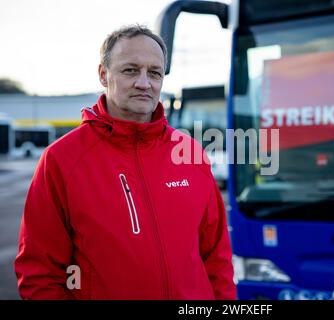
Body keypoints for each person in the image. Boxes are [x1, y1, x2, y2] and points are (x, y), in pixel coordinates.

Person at [14, 25, 236, 300]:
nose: (144, 83)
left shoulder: (190, 153)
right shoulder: (62, 159)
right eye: (130, 70)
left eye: (154, 73)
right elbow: (39, 273)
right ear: (103, 75)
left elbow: (217, 258)